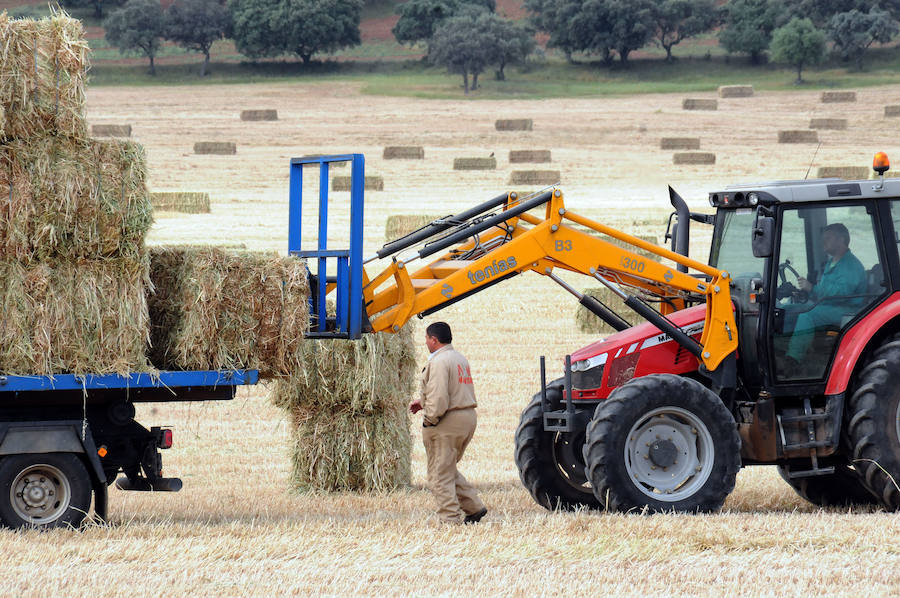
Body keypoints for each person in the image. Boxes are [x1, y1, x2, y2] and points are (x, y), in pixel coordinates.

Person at [409, 322, 487, 525]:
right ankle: (474, 507)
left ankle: (449, 519)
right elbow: (453, 389)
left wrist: (430, 419)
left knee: (438, 474)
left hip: (447, 421)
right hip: (467, 417)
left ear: (434, 340)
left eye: (426, 338)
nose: (425, 342)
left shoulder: (439, 362)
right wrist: (423, 402)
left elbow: (439, 396)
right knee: (447, 467)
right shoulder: (459, 358)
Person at [786, 223, 866, 366]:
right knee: (788, 309)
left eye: (828, 238)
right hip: (828, 305)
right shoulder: (832, 262)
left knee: (807, 315)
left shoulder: (850, 265)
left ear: (841, 239)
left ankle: (792, 361)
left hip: (847, 310)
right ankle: (780, 349)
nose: (823, 242)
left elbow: (841, 294)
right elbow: (825, 290)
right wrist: (806, 292)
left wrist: (811, 288)